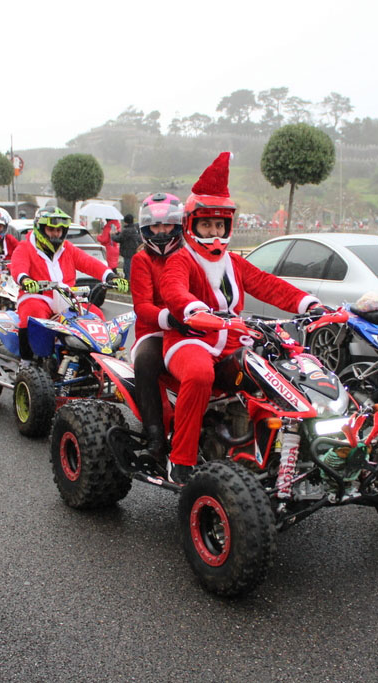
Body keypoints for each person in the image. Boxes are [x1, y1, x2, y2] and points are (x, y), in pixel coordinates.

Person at [160, 153, 325, 484]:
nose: (214, 232)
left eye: (219, 225)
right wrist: (194, 310)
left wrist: (309, 304)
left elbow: (268, 285)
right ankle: (180, 459)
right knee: (199, 374)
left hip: (234, 339)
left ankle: (277, 451)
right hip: (190, 340)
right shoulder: (181, 260)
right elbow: (173, 289)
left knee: (283, 368)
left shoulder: (234, 262)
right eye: (207, 224)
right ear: (191, 225)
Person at [10, 207, 128, 361]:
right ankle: (26, 362)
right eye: (51, 229)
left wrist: (110, 276)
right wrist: (25, 280)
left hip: (67, 297)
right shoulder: (25, 247)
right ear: (40, 228)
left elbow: (89, 263)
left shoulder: (68, 248)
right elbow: (18, 266)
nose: (56, 234)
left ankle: (99, 360)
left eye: (59, 230)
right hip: (38, 296)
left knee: (96, 315)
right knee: (32, 316)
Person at [128, 192, 189, 459]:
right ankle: (155, 437)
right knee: (145, 362)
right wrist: (169, 318)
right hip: (153, 331)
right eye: (155, 226)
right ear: (146, 228)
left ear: (178, 224)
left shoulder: (190, 255)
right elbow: (142, 306)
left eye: (166, 225)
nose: (162, 231)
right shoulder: (141, 260)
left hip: (191, 326)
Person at [112, 213, 141, 279]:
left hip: (127, 252)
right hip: (133, 251)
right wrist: (118, 233)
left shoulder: (126, 230)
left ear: (125, 221)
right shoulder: (134, 229)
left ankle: (128, 281)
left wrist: (112, 235)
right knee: (130, 268)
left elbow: (119, 239)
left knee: (127, 269)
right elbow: (124, 236)